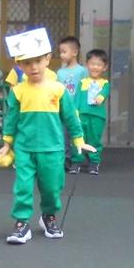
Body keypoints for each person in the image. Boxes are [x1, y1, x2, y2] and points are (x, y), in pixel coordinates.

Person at [0, 28, 94, 244]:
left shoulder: (58, 89)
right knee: (22, 187)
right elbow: (11, 119)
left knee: (51, 188)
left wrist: (78, 140)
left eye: (38, 61)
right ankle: (22, 223)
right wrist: (7, 144)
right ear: (19, 64)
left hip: (53, 149)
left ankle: (49, 216)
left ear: (47, 59)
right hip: (24, 149)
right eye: (27, 63)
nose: (33, 67)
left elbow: (70, 116)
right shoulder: (18, 91)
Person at [69, 48, 110, 175]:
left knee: (94, 139)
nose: (95, 67)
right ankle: (76, 162)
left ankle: (94, 162)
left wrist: (101, 97)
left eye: (98, 65)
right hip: (82, 115)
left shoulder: (105, 83)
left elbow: (105, 92)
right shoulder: (83, 82)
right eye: (92, 64)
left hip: (97, 116)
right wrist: (75, 111)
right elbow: (77, 98)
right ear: (87, 65)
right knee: (78, 138)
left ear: (104, 67)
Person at [56, 36, 88, 169]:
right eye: (60, 52)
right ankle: (66, 160)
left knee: (77, 134)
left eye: (64, 52)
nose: (61, 55)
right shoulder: (59, 72)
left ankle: (78, 159)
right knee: (62, 135)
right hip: (62, 110)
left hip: (77, 109)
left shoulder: (82, 71)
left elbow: (85, 90)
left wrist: (82, 108)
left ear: (75, 52)